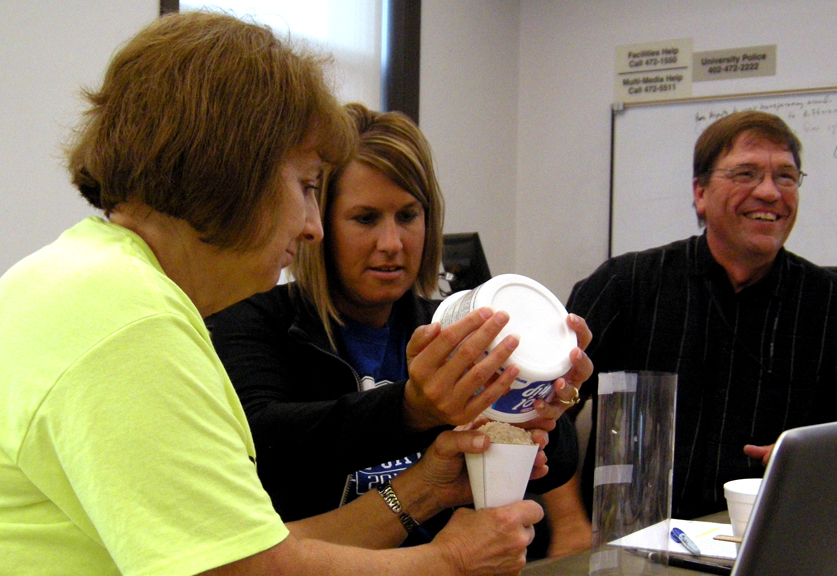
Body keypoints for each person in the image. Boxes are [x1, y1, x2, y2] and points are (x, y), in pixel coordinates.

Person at [0, 12, 546, 576]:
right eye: (307, 186)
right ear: (233, 173)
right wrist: (451, 560)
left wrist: (424, 490)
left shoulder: (92, 282)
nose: (312, 227)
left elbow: (251, 549)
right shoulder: (129, 320)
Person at [205, 102, 591, 543]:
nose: (391, 243)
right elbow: (263, 443)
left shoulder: (448, 327)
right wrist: (411, 410)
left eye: (407, 216)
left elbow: (555, 467)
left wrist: (542, 406)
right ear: (318, 223)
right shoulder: (254, 320)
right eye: (365, 218)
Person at [556, 110, 837, 535]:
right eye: (746, 174)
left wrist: (808, 456)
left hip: (769, 541)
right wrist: (568, 525)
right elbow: (543, 411)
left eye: (786, 176)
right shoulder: (625, 284)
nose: (769, 192)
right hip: (632, 542)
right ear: (700, 192)